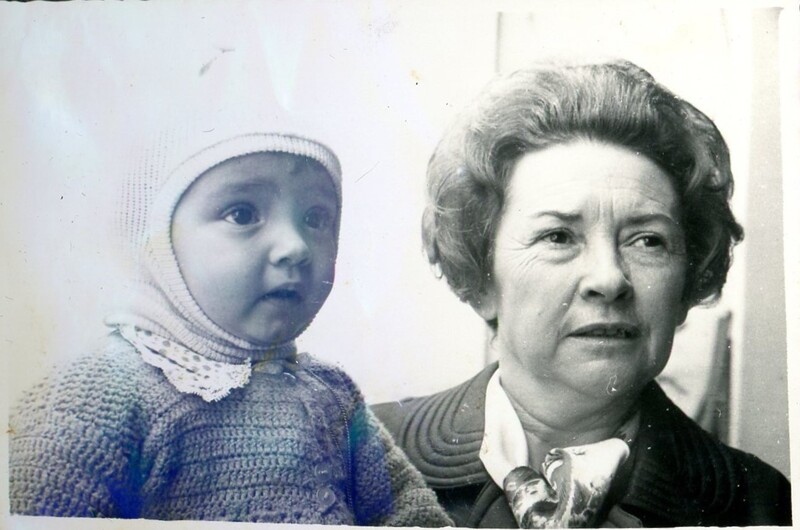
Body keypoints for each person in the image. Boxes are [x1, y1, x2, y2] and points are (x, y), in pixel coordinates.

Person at [373, 60, 791, 527]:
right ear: (482, 278)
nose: (609, 279)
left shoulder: (762, 504)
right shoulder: (359, 454)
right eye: (558, 237)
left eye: (648, 241)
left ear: (686, 284)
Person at [9, 121, 452, 526]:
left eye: (316, 218)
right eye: (242, 214)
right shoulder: (95, 394)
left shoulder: (333, 395)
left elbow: (409, 513)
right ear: (156, 239)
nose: (295, 246)